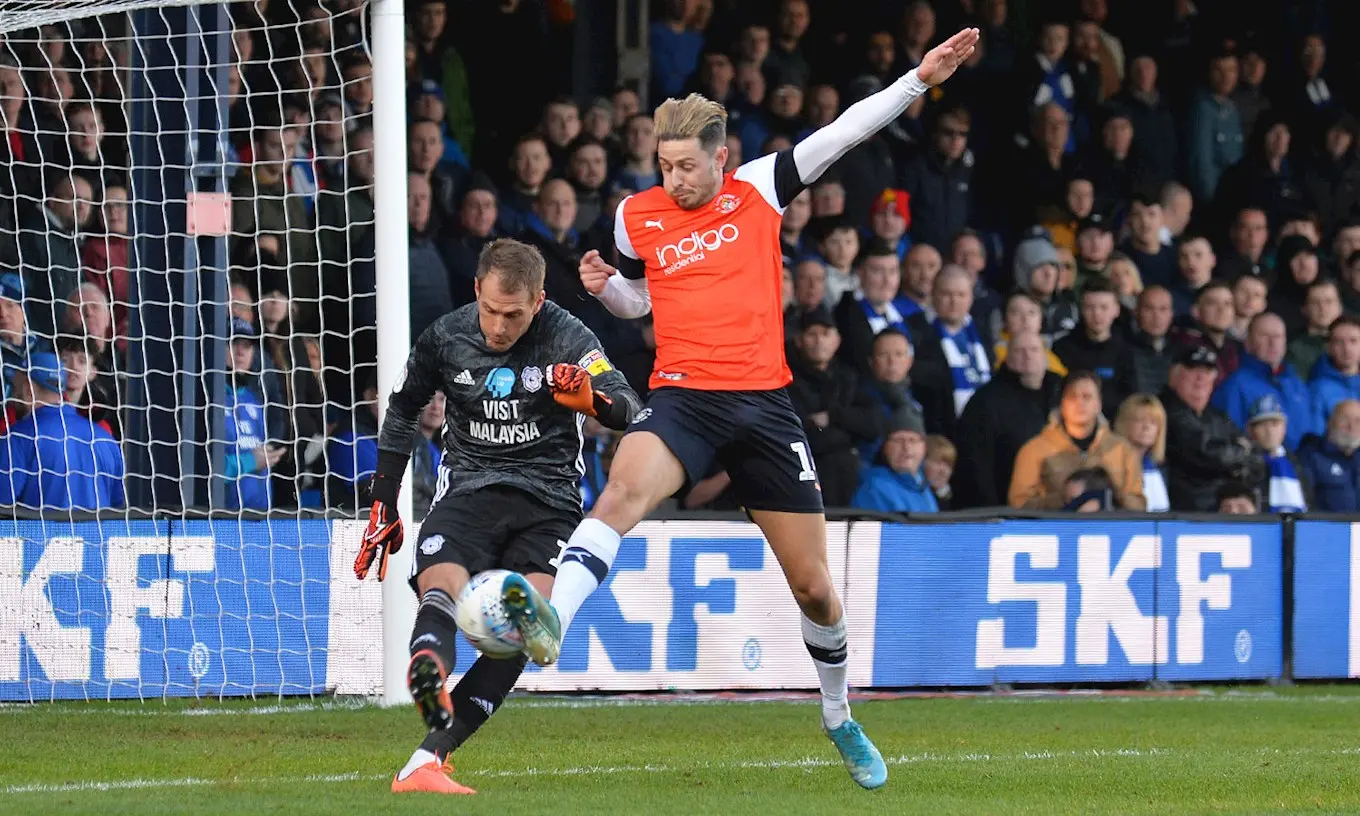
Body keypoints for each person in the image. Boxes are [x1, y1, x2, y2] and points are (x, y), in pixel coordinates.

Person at [562, 28, 982, 790]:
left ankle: (838, 715)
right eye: (664, 165)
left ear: (721, 158)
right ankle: (550, 621)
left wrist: (919, 80)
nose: (674, 179)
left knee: (815, 587)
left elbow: (845, 131)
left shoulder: (759, 187)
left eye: (687, 166)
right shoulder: (635, 216)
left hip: (762, 405)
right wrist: (606, 289)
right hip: (683, 396)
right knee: (621, 492)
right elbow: (637, 300)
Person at [352, 239, 641, 795]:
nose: (499, 327)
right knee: (441, 588)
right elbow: (404, 407)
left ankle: (425, 761)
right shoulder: (447, 336)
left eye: (514, 315)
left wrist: (592, 401)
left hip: (547, 504)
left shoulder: (569, 337)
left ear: (539, 301)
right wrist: (384, 499)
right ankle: (429, 669)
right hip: (468, 491)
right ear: (476, 290)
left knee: (523, 634)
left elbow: (628, 406)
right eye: (490, 311)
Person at [1007, 370, 1145, 510]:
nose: (1080, 403)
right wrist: (1065, 499)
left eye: (1087, 397)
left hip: (1111, 524)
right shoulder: (1033, 450)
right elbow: (1019, 504)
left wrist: (1112, 497)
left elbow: (1139, 506)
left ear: (1098, 404)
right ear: (1062, 404)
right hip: (1057, 523)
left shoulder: (1123, 450)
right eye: (1072, 396)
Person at [1114, 393, 1170, 512]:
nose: (1146, 427)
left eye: (1153, 422)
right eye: (1139, 420)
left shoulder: (1156, 469)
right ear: (1124, 424)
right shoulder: (1113, 465)